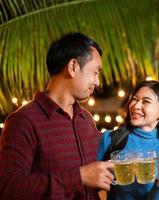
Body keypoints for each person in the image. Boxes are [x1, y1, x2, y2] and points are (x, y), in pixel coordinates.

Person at [0, 32, 114, 199]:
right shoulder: (24, 120)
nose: (97, 81)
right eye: (96, 72)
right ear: (73, 67)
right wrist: (79, 177)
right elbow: (8, 187)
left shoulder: (86, 119)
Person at [97, 80, 159, 200]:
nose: (136, 106)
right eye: (134, 99)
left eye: (146, 101)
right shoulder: (109, 138)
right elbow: (91, 188)